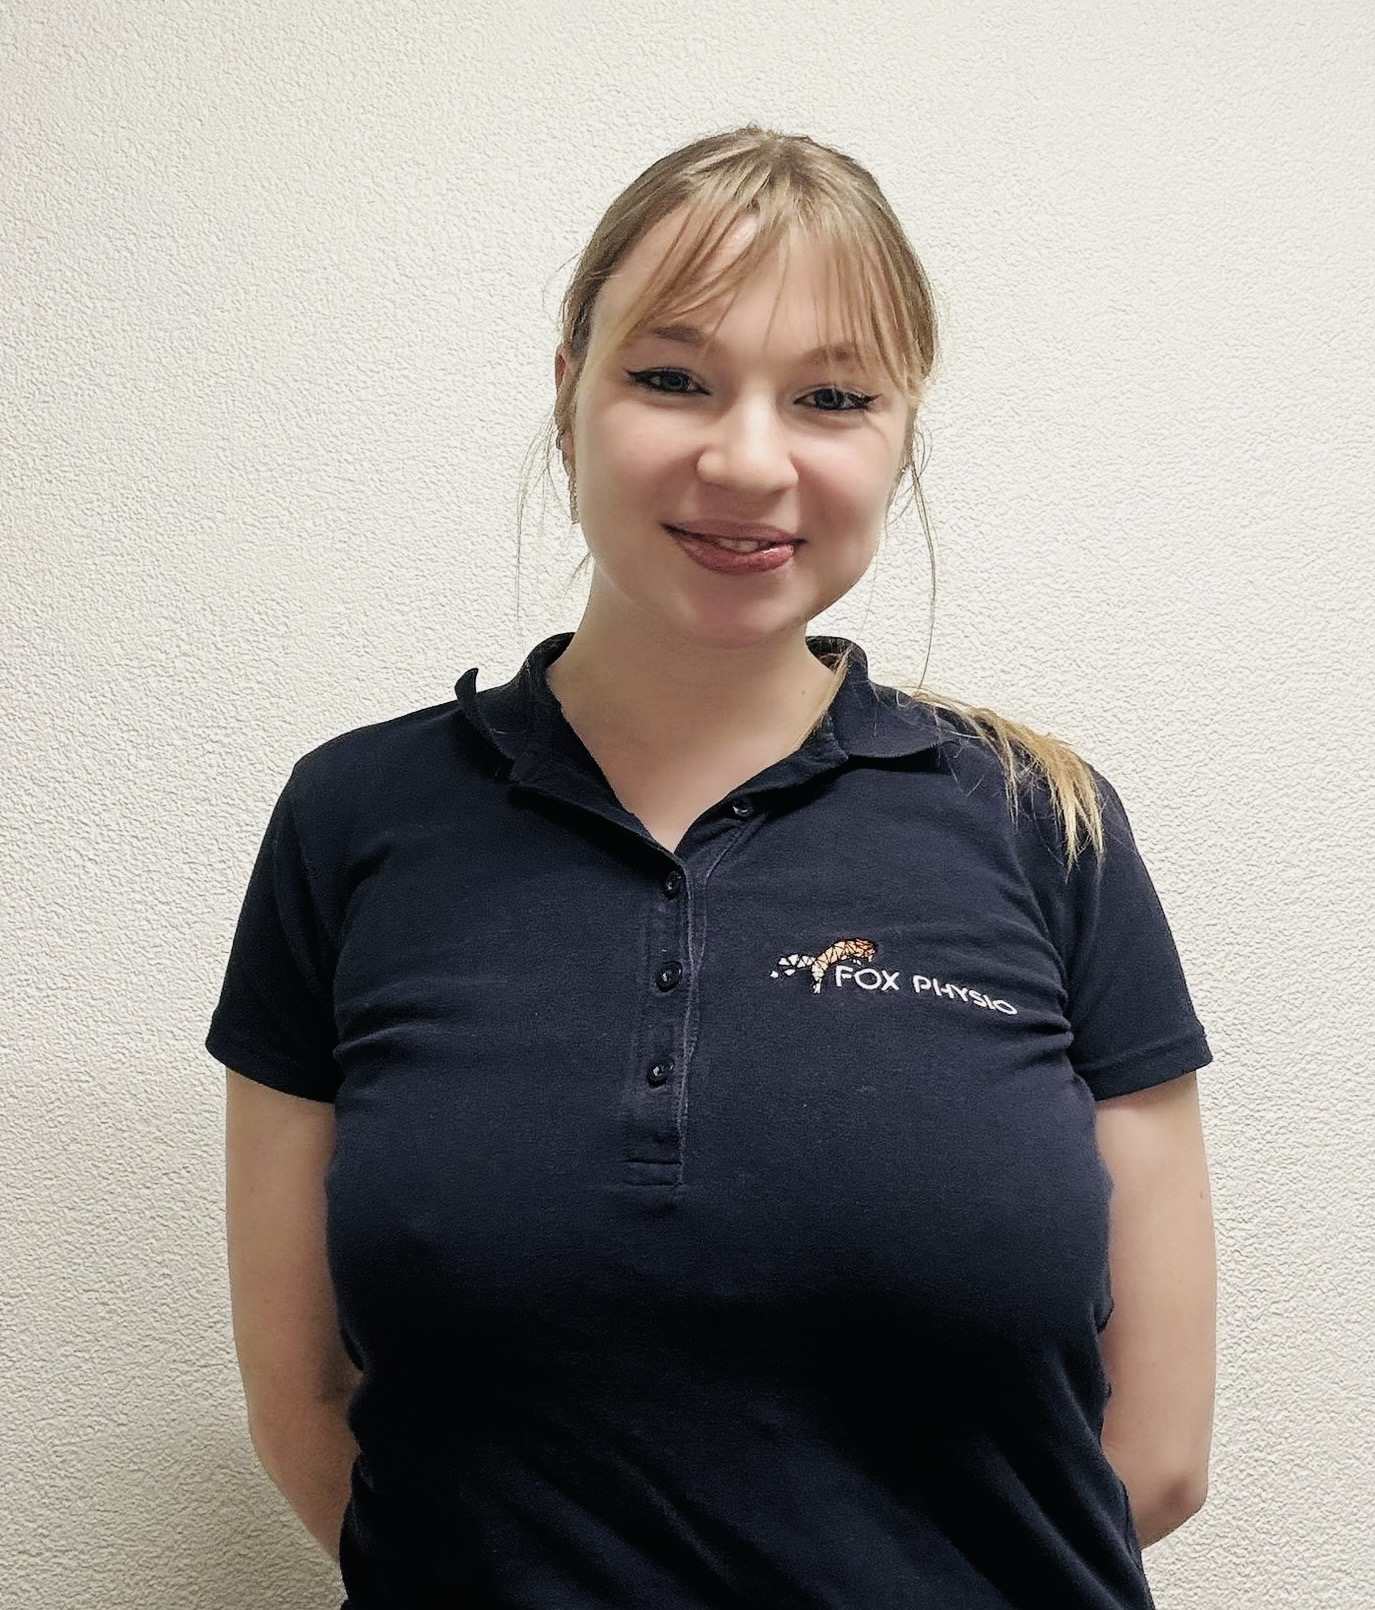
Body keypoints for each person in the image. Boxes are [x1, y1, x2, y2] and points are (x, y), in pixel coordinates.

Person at [209, 125, 1217, 1609]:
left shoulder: (1042, 822)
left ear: (900, 437)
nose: (749, 459)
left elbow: (1161, 1451)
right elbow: (307, 1407)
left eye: (833, 397)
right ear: (570, 395)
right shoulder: (353, 820)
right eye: (673, 377)